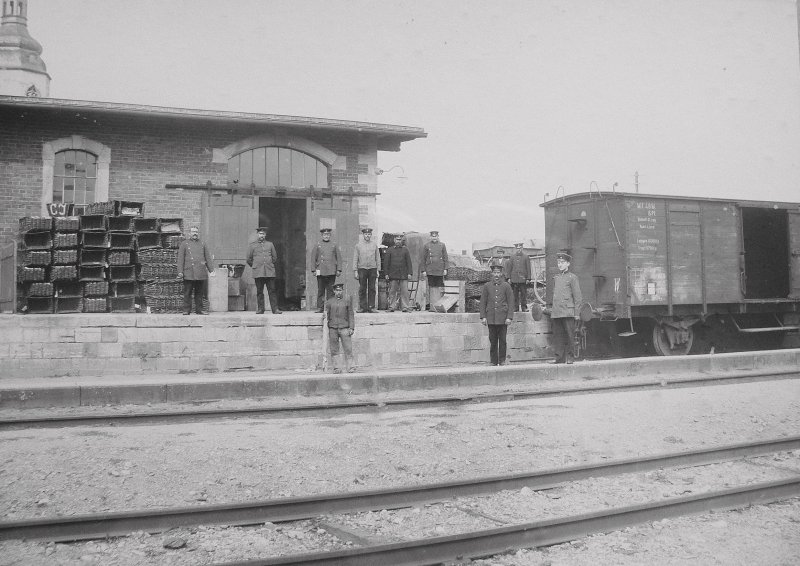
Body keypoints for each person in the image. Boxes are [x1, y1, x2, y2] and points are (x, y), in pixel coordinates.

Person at [550, 252, 582, 364]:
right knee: (558, 336)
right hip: (557, 311)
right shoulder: (556, 278)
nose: (560, 264)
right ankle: (559, 358)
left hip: (568, 311)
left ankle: (570, 357)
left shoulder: (572, 278)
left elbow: (578, 297)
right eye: (558, 262)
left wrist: (576, 313)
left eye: (562, 262)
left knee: (569, 335)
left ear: (568, 264)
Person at [480, 262, 514, 366]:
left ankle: (502, 360)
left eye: (498, 272)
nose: (496, 275)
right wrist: (483, 317)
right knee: (493, 340)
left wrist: (509, 317)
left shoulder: (506, 286)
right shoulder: (487, 286)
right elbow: (483, 302)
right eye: (494, 272)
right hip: (491, 318)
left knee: (503, 340)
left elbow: (511, 302)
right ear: (492, 273)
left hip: (503, 318)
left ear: (501, 274)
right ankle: (493, 361)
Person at [177, 226, 215, 315]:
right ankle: (186, 310)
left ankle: (199, 310)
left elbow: (207, 257)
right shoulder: (184, 244)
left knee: (200, 293)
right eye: (193, 232)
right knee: (187, 292)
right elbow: (180, 259)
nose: (195, 233)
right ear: (189, 233)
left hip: (201, 272)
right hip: (189, 272)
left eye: (196, 232)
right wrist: (180, 271)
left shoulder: (202, 244)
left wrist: (211, 270)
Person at [247, 228, 282, 315]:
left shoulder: (270, 244)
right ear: (257, 235)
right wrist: (256, 266)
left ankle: (275, 309)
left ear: (265, 235)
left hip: (269, 271)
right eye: (260, 234)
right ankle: (260, 309)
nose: (261, 235)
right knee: (259, 291)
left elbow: (274, 257)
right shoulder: (252, 245)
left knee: (272, 291)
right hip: (258, 272)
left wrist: (268, 264)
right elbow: (249, 259)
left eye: (263, 234)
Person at [326, 282, 355, 373]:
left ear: (342, 291)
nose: (339, 292)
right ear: (334, 291)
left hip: (344, 328)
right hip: (333, 328)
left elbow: (351, 314)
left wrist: (351, 327)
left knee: (348, 348)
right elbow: (327, 314)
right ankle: (337, 368)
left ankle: (351, 367)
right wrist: (325, 320)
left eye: (340, 290)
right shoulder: (329, 302)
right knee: (334, 349)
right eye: (337, 290)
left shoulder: (347, 301)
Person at [311, 228, 341, 313]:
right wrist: (313, 269)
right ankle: (320, 308)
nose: (326, 236)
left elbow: (339, 257)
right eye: (324, 235)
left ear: (330, 235)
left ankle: (330, 308)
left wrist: (339, 269)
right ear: (322, 235)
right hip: (321, 270)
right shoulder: (318, 245)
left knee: (330, 291)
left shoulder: (334, 245)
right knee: (320, 290)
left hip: (331, 271)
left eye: (328, 235)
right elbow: (313, 258)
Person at [352, 227, 380, 313]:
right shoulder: (358, 245)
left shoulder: (374, 245)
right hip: (362, 269)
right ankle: (362, 307)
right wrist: (355, 270)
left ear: (371, 235)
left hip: (372, 268)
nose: (367, 235)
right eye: (366, 234)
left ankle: (371, 307)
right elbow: (355, 258)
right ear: (363, 235)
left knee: (372, 288)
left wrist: (378, 270)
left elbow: (377, 258)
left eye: (369, 234)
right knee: (362, 288)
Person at [383, 233, 413, 312]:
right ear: (394, 240)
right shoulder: (390, 250)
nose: (398, 241)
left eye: (400, 240)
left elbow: (409, 262)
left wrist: (410, 273)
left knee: (405, 292)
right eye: (397, 239)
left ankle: (405, 307)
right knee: (392, 291)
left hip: (403, 274)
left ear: (401, 241)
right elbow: (386, 263)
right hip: (393, 274)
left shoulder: (405, 250)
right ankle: (392, 307)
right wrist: (386, 274)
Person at [420, 230, 448, 311]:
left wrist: (445, 269)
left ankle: (439, 306)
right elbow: (423, 259)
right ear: (430, 237)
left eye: (435, 236)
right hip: (430, 270)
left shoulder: (442, 245)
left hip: (439, 270)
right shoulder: (426, 246)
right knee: (431, 287)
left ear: (438, 237)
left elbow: (445, 258)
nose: (434, 238)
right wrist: (423, 270)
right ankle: (432, 307)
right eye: (433, 236)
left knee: (439, 288)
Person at [504, 242, 531, 312]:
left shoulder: (526, 257)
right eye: (517, 248)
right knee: (514, 294)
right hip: (514, 279)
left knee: (523, 294)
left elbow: (528, 268)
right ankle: (515, 307)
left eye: (520, 248)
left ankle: (524, 307)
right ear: (515, 249)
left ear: (522, 248)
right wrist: (508, 278)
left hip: (523, 279)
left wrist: (528, 278)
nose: (519, 249)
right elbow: (509, 268)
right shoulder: (512, 257)